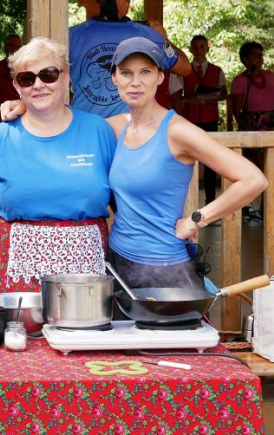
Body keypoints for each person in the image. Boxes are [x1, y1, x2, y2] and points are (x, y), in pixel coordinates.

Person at [0, 38, 116, 294]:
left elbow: (125, 205)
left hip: (86, 285)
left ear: (66, 78)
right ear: (17, 86)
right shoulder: (0, 138)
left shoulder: (98, 131)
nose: (38, 84)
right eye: (27, 78)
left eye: (48, 75)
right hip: (13, 285)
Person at [104, 37, 267, 289]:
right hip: (117, 261)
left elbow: (254, 179)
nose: (135, 82)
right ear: (114, 78)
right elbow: (66, 125)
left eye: (145, 72)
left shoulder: (177, 130)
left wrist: (197, 219)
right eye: (126, 73)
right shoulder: (116, 127)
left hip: (164, 268)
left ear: (160, 77)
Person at [69, 0, 191, 117]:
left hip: (83, 125)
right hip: (130, 127)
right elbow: (185, 68)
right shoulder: (148, 34)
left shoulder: (72, 35)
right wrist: (164, 39)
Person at [177, 35, 228, 204]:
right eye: (196, 47)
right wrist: (189, 98)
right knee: (186, 160)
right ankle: (185, 201)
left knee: (211, 162)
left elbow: (224, 94)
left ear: (207, 48)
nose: (199, 50)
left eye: (202, 46)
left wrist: (212, 96)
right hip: (189, 120)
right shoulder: (184, 71)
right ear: (190, 49)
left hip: (210, 119)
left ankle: (210, 200)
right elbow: (177, 95)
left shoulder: (217, 70)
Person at [231, 41, 274, 183]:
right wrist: (247, 125)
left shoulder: (270, 76)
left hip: (270, 124)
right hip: (250, 125)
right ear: (245, 59)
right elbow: (236, 110)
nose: (259, 58)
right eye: (254, 55)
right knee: (252, 167)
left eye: (260, 55)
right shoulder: (239, 80)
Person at [0, 34, 23, 122]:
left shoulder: (25, 69)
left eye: (18, 47)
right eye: (11, 46)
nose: (15, 49)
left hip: (22, 118)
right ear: (5, 47)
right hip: (2, 118)